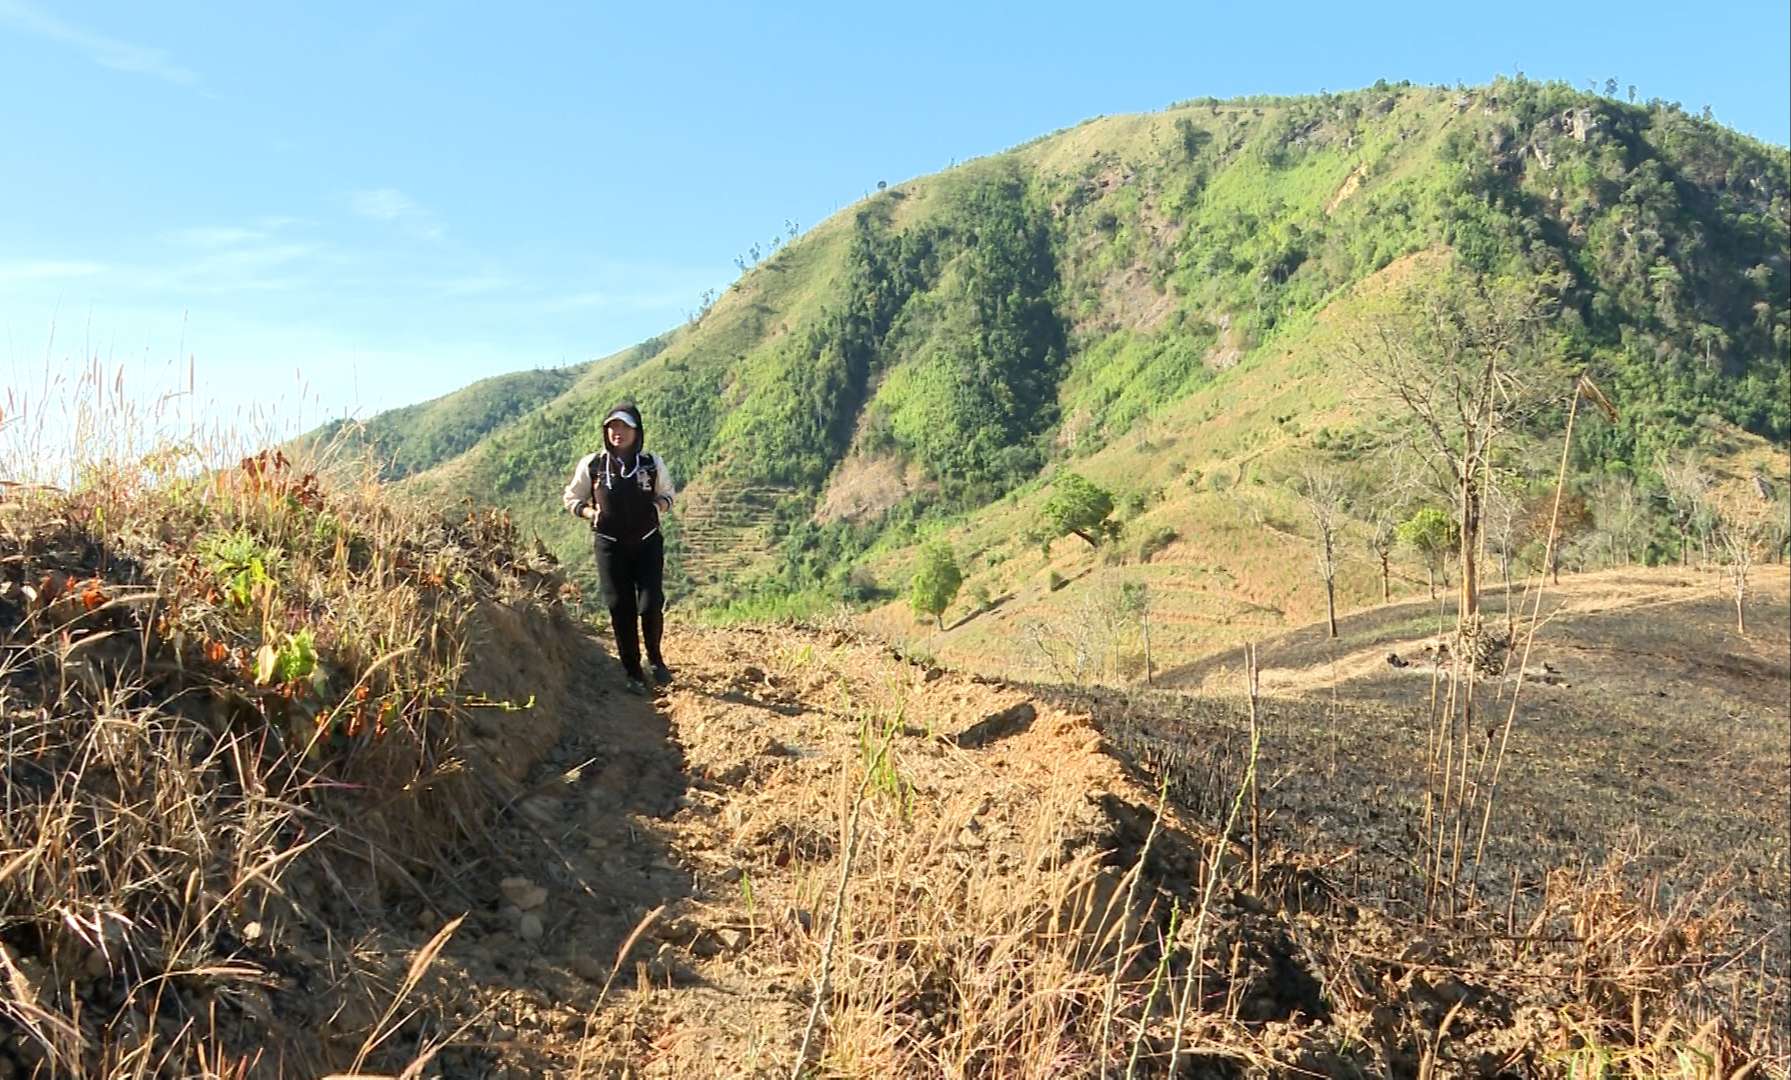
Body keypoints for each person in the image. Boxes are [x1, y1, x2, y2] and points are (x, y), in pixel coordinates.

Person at [561, 402, 676, 694]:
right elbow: (571, 498)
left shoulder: (651, 463)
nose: (617, 432)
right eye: (612, 426)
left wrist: (657, 506)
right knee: (619, 607)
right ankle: (633, 670)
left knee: (650, 603)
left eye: (624, 426)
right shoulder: (594, 465)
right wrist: (590, 513)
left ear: (637, 431)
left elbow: (667, 494)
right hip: (610, 546)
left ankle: (656, 659)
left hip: (648, 542)